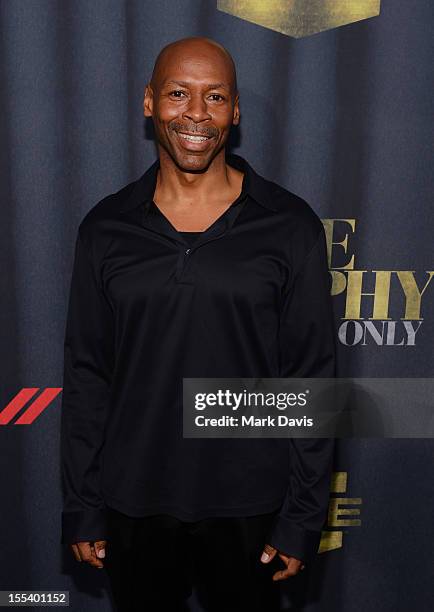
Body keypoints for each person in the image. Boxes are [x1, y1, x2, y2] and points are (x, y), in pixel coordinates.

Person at [60, 36, 336, 611]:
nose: (196, 113)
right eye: (178, 93)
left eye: (214, 97)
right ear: (148, 102)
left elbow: (311, 379)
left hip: (250, 510)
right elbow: (88, 376)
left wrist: (302, 518)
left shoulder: (289, 225)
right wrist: (84, 504)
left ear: (235, 112)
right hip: (133, 505)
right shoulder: (106, 228)